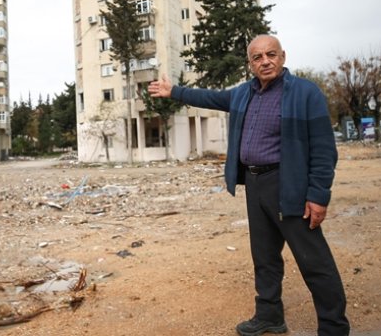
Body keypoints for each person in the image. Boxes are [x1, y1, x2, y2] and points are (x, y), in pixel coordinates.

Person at [147, 35, 349, 336]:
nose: (265, 61)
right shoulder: (244, 94)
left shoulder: (306, 93)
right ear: (251, 63)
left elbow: (323, 149)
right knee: (264, 256)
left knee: (314, 261)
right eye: (257, 57)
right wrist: (174, 91)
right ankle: (269, 316)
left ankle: (333, 327)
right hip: (255, 184)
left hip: (289, 185)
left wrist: (318, 196)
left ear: (282, 56)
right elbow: (210, 97)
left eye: (271, 54)